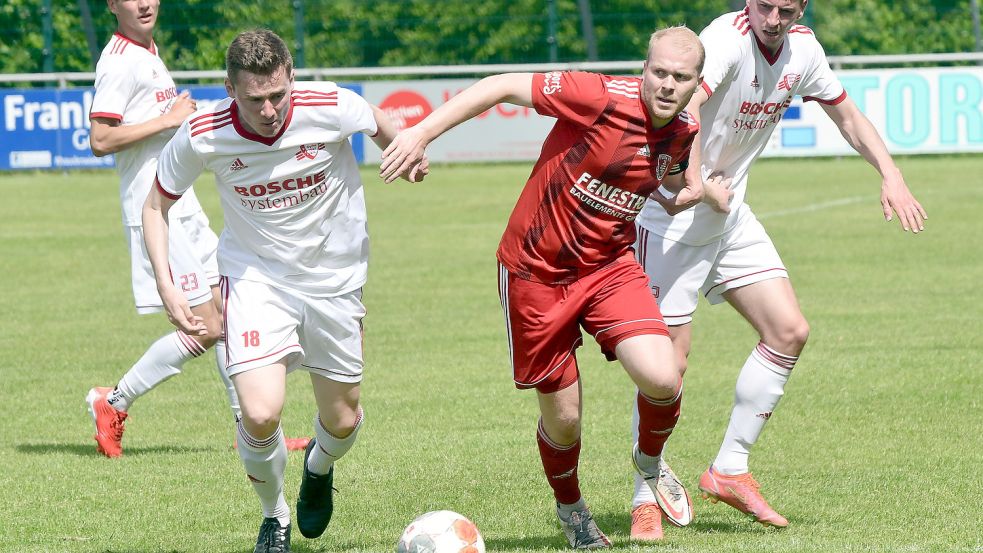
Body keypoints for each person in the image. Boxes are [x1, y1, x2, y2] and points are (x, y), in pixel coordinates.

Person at [381, 26, 707, 549]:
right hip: (536, 272)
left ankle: (649, 463)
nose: (667, 84)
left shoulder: (682, 132)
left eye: (680, 77)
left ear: (696, 83)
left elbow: (663, 183)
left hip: (608, 268)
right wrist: (421, 133)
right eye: (659, 72)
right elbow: (502, 84)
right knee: (566, 418)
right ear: (644, 69)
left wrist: (691, 191)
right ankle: (572, 508)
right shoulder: (599, 96)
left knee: (664, 378)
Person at [627, 0, 928, 537]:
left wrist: (891, 172)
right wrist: (696, 187)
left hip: (729, 215)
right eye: (764, 5)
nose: (772, 17)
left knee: (788, 331)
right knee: (665, 369)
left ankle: (729, 469)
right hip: (670, 218)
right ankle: (644, 490)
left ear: (802, 7)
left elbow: (848, 117)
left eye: (785, 9)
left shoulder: (805, 50)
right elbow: (681, 115)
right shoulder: (724, 39)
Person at [143, 29, 424, 553]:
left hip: (334, 281)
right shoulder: (204, 131)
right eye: (254, 99)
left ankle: (317, 468)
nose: (269, 109)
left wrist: (404, 153)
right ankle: (273, 517)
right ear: (230, 88)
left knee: (341, 420)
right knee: (260, 411)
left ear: (291, 76)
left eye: (277, 94)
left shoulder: (332, 105)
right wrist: (165, 281)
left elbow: (383, 124)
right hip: (255, 277)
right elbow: (156, 203)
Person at [85, 0, 308, 458]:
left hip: (182, 205)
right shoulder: (120, 61)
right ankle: (113, 402)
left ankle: (251, 429)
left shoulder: (147, 50)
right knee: (205, 326)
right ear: (112, 4)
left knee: (227, 314)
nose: (144, 3)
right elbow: (100, 138)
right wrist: (169, 120)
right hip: (155, 209)